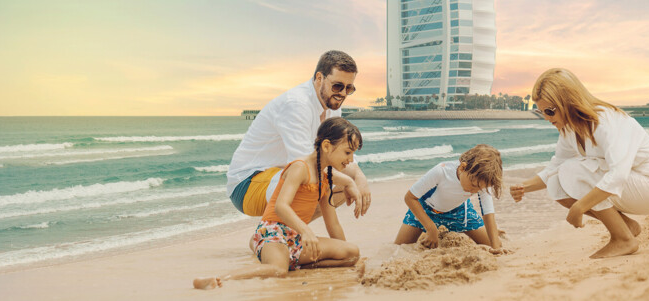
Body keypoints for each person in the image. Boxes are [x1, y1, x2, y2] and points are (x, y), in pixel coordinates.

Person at [510, 68, 649, 259]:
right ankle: (626, 227)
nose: (546, 118)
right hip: (632, 187)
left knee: (574, 170)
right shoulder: (569, 129)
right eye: (541, 112)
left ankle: (623, 239)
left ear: (567, 101)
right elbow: (555, 166)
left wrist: (579, 207)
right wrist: (524, 187)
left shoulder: (604, 120)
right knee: (556, 183)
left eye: (549, 111)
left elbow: (618, 174)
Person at [194, 117, 365, 289]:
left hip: (296, 238)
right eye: (348, 152)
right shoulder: (300, 168)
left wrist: (345, 249)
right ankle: (219, 279)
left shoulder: (325, 178)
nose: (351, 159)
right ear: (327, 146)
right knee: (278, 270)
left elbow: (333, 223)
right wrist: (306, 230)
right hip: (273, 231)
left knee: (352, 254)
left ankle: (293, 262)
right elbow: (281, 206)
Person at [226, 50, 371, 220]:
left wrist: (360, 177)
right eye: (338, 86)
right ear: (319, 78)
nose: (343, 93)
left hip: (277, 177)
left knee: (338, 186)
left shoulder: (333, 105)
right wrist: (348, 181)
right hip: (246, 185)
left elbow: (336, 155)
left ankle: (284, 237)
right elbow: (306, 166)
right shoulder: (296, 105)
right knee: (314, 181)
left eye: (349, 88)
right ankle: (269, 238)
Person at [393, 144, 509, 254]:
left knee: (497, 243)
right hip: (427, 209)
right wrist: (431, 229)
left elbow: (488, 212)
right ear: (463, 167)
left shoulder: (481, 181)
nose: (474, 191)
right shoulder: (441, 171)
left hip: (459, 212)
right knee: (398, 248)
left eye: (479, 189)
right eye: (473, 186)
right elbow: (410, 198)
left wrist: (496, 248)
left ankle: (491, 231)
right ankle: (429, 230)